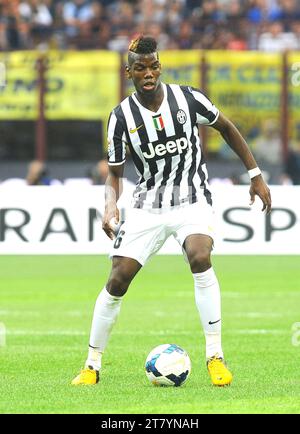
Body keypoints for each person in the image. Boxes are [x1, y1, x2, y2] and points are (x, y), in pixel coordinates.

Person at [72, 36, 272, 387]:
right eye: (140, 68)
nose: (148, 73)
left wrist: (255, 175)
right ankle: (91, 365)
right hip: (148, 205)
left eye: (153, 66)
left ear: (159, 66)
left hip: (192, 198)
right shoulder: (121, 118)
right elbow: (115, 174)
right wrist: (109, 207)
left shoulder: (188, 98)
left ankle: (215, 357)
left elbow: (226, 127)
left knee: (199, 255)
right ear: (129, 71)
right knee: (117, 280)